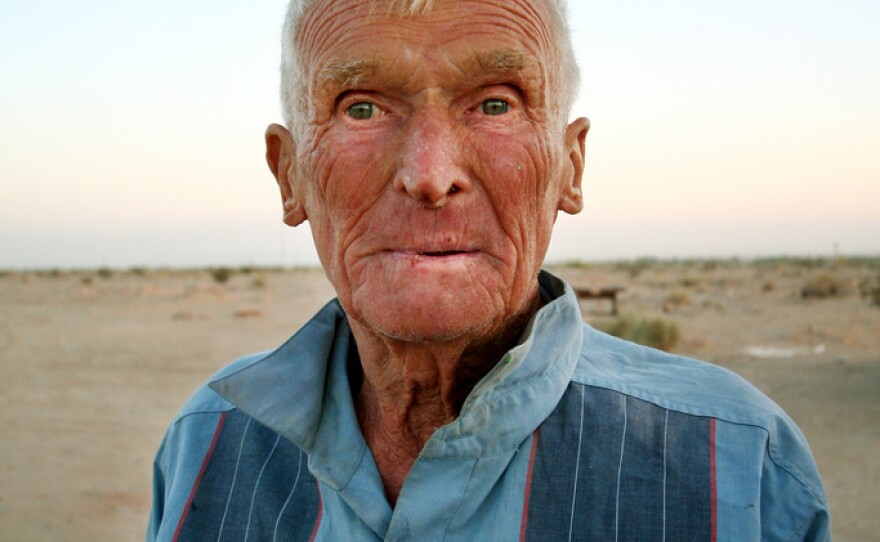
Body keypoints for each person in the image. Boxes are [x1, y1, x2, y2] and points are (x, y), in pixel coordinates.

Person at [146, 1, 830, 540]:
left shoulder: (736, 465)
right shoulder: (205, 444)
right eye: (362, 106)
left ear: (570, 167)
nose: (429, 174)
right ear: (289, 175)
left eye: (495, 103)